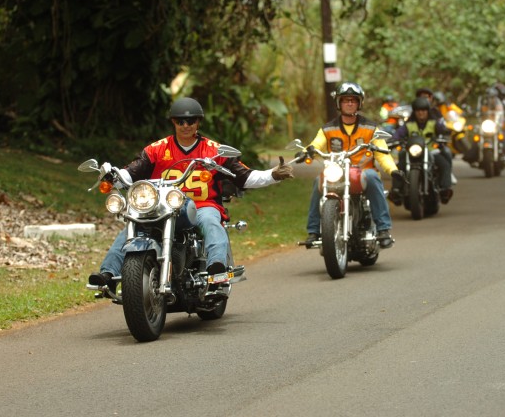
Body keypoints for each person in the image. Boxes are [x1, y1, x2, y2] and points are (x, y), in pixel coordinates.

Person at [88, 97, 294, 289]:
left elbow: (245, 177)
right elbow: (132, 171)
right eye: (180, 121)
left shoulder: (214, 150)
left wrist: (273, 174)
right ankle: (107, 275)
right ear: (173, 122)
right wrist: (114, 174)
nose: (185, 125)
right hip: (162, 206)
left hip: (203, 206)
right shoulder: (157, 149)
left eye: (191, 121)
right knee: (131, 228)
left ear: (198, 123)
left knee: (212, 222)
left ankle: (217, 268)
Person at [302, 82, 404, 249]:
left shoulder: (371, 128)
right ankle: (313, 231)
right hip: (337, 171)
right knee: (318, 181)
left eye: (353, 100)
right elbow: (316, 144)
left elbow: (383, 153)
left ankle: (383, 229)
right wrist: (308, 151)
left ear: (359, 103)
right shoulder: (328, 129)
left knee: (372, 177)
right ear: (339, 103)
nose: (349, 103)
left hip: (363, 172)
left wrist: (393, 170)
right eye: (345, 100)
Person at [390, 96, 454, 204]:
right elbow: (398, 134)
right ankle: (396, 190)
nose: (421, 113)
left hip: (431, 151)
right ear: (414, 112)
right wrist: (392, 140)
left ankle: (445, 189)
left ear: (427, 111)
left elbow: (444, 131)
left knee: (444, 164)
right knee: (399, 163)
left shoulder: (434, 123)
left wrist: (444, 135)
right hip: (411, 152)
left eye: (423, 110)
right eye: (418, 111)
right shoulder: (409, 125)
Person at [463, 86, 505, 163]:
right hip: (485, 126)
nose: (490, 99)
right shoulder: (483, 106)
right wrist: (471, 113)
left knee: (504, 136)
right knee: (476, 138)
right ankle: (470, 156)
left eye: (492, 97)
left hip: (496, 126)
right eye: (488, 97)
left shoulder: (499, 105)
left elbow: (503, 114)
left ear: (495, 97)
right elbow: (477, 113)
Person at [433, 91, 470, 156]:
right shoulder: (435, 109)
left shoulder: (448, 105)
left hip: (453, 122)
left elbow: (457, 111)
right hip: (445, 125)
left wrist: (462, 113)